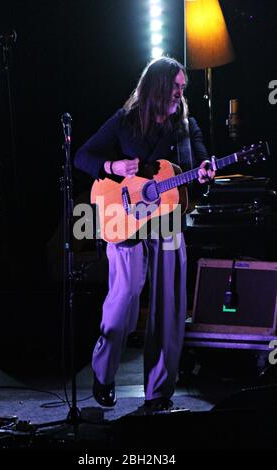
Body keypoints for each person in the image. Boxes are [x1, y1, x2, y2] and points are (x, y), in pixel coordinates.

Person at [74, 56, 215, 412]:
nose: (180, 93)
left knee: (169, 306)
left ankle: (159, 393)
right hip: (126, 220)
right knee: (125, 299)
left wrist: (203, 175)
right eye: (175, 86)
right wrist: (112, 166)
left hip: (168, 220)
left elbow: (198, 166)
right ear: (157, 86)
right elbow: (83, 156)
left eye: (183, 88)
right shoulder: (125, 121)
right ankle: (103, 373)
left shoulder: (186, 127)